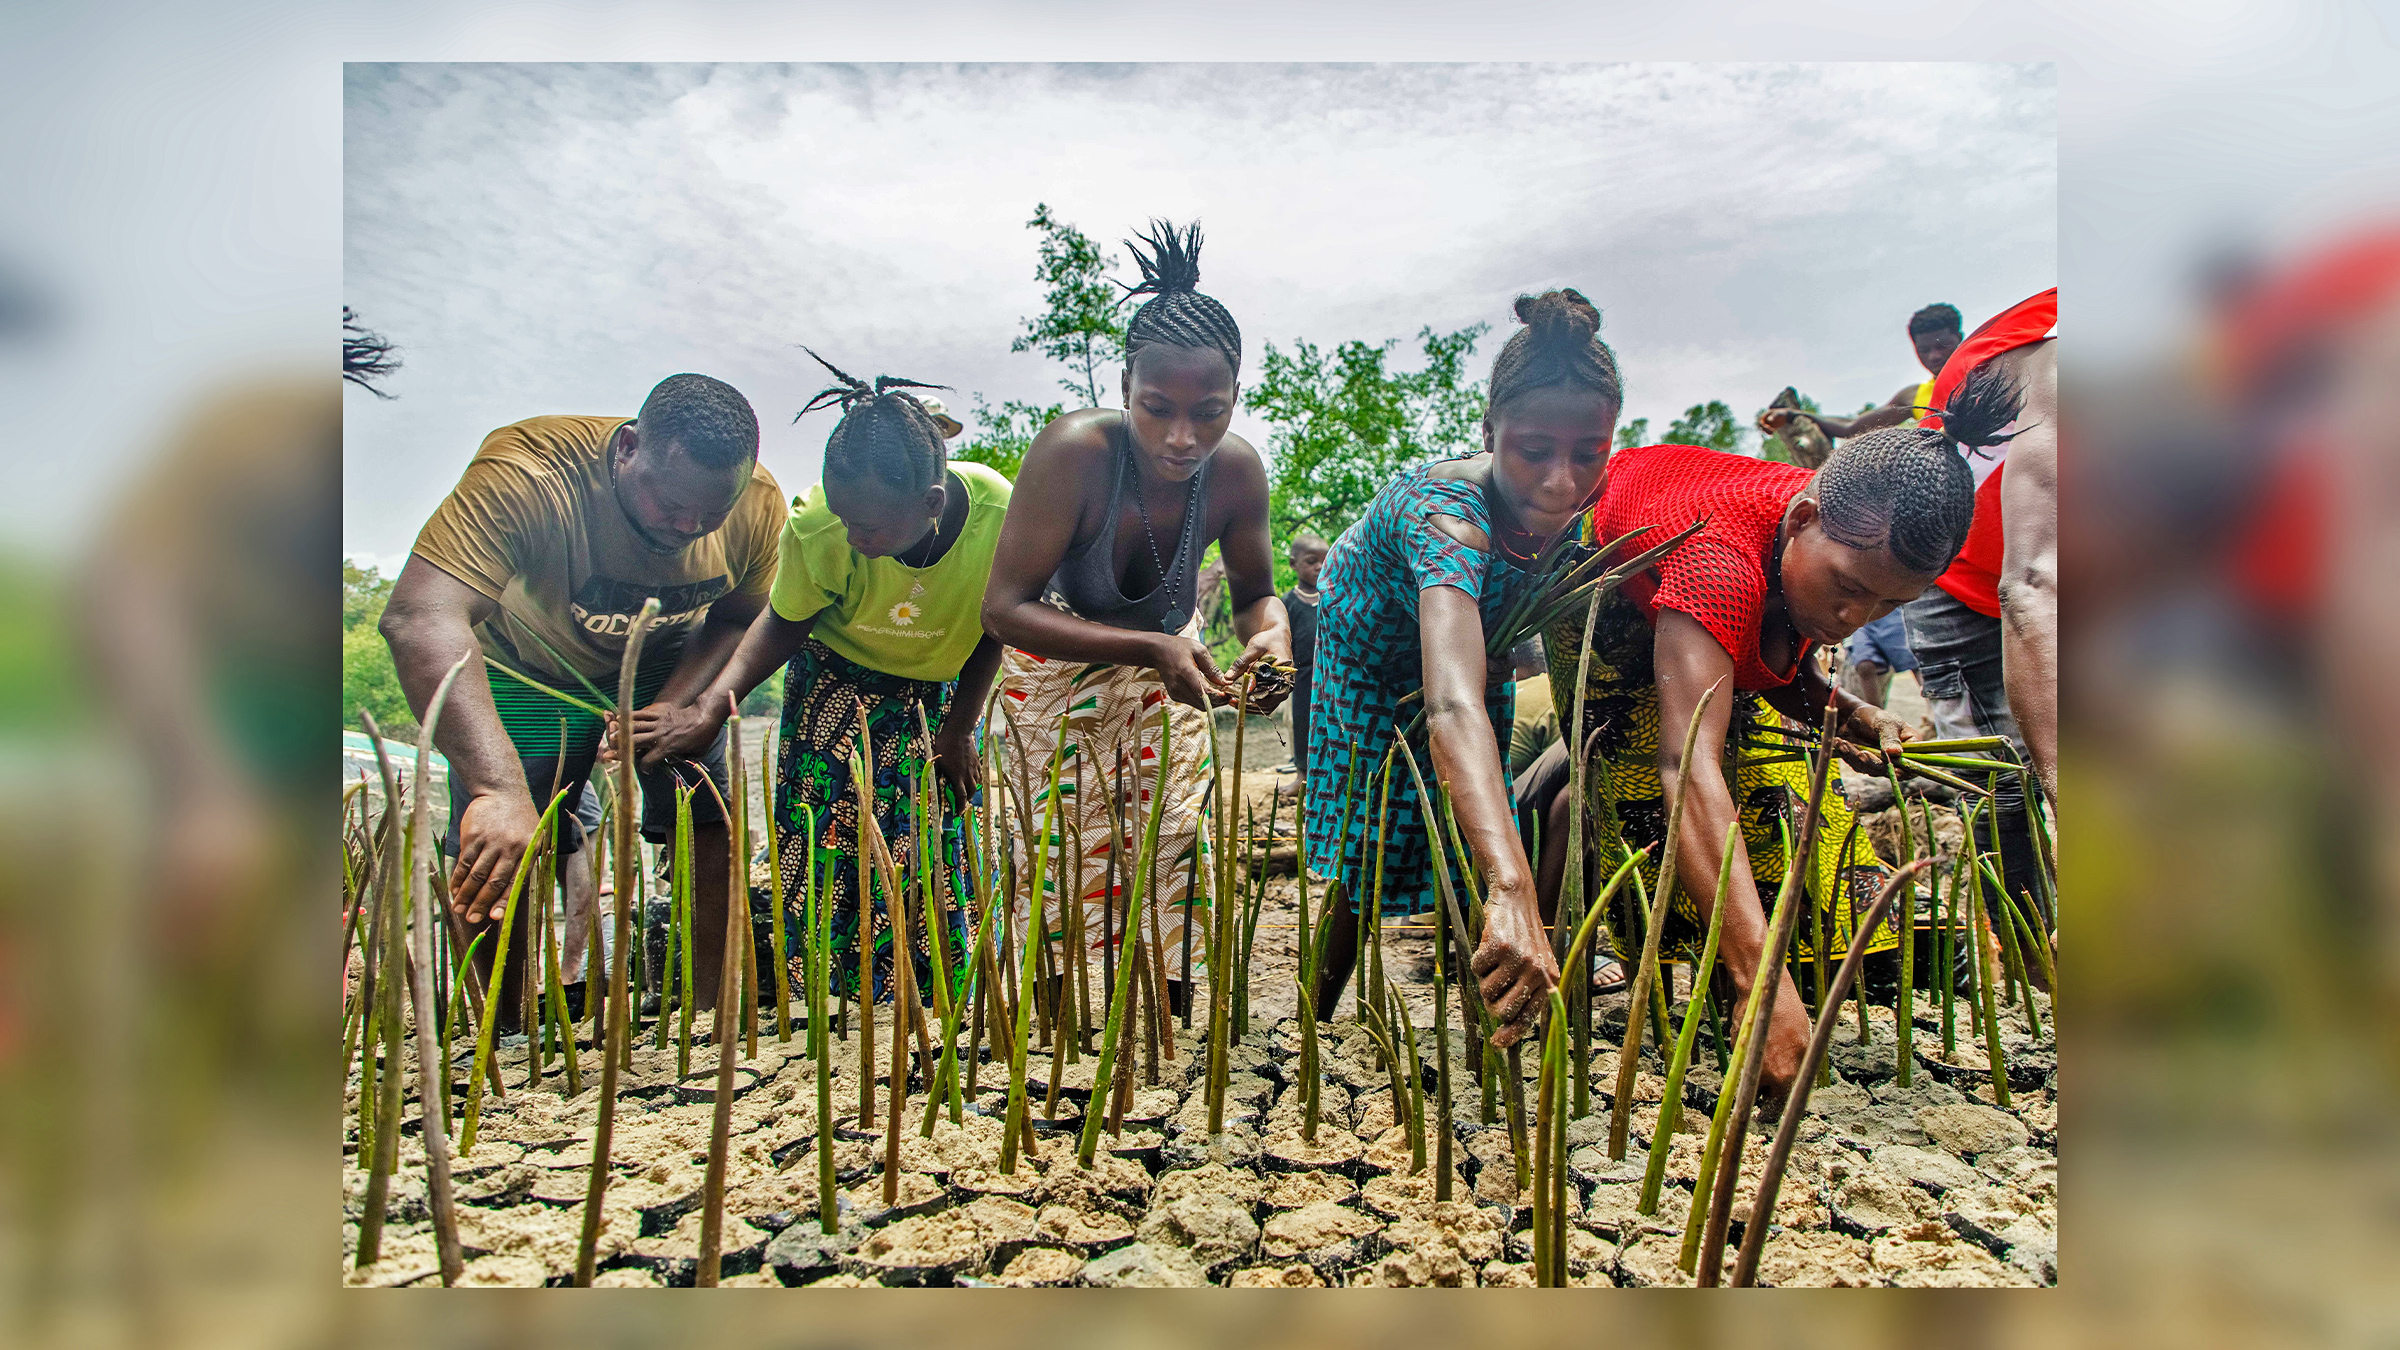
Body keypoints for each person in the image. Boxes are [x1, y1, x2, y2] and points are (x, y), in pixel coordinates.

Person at [1527, 368, 2024, 1103]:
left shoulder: (1823, 543)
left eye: (1889, 603)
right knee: (1638, 779)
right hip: (1601, 582)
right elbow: (1685, 766)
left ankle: (1779, 964)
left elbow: (1770, 647)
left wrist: (1852, 712)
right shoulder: (1718, 564)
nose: (1857, 617)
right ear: (1799, 520)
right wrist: (1758, 978)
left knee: (1778, 788)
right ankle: (1632, 960)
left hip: (1711, 571)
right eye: (1848, 588)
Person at [379, 374, 780, 1018]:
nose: (688, 525)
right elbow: (420, 617)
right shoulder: (529, 476)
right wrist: (497, 787)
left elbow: (737, 618)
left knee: (708, 810)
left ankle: (712, 1013)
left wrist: (675, 707)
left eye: (711, 513)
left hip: (662, 662)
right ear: (626, 449)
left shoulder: (759, 504)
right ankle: (499, 1029)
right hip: (530, 673)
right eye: (669, 502)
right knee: (501, 840)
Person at [629, 353, 1010, 1004]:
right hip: (833, 687)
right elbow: (780, 625)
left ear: (931, 504)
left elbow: (996, 625)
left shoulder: (999, 517)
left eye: (868, 525)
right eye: (842, 516)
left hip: (934, 700)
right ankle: (837, 1007)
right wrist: (714, 710)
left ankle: (934, 1005)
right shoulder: (820, 523)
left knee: (931, 849)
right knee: (827, 849)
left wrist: (960, 729)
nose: (852, 534)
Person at [981, 220, 1291, 1015]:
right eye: (1157, 408)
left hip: (1165, 672)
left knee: (1174, 844)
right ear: (1125, 389)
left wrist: (1272, 630)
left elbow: (1258, 588)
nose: (1182, 436)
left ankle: (1166, 1037)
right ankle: (1047, 1043)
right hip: (1049, 679)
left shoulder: (1237, 472)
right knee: (1049, 859)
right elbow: (1004, 612)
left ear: (1234, 399)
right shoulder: (1072, 454)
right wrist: (1151, 646)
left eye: (1209, 411)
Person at [1303, 289, 1622, 1046]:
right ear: (1489, 431)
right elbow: (1450, 705)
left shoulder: (1585, 497)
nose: (1561, 483)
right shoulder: (1447, 514)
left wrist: (1506, 876)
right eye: (1534, 451)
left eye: (1588, 454)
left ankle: (1493, 1036)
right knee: (1369, 849)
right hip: (1374, 658)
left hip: (1481, 647)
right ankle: (1310, 1030)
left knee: (1474, 835)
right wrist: (1516, 887)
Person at [1903, 288, 2057, 903]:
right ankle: (2041, 962)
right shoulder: (2053, 360)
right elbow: (2031, 590)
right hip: (1958, 579)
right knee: (2003, 781)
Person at [1758, 302, 1965, 448]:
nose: (1934, 356)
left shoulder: (1988, 377)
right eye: (1924, 350)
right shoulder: (1914, 397)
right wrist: (1793, 415)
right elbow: (1852, 427)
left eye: (1942, 346)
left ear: (1960, 338)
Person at [1278, 533, 1328, 774]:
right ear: (1293, 564)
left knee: (1331, 723)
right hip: (1303, 675)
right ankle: (1302, 773)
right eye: (1311, 561)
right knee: (1303, 723)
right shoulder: (1287, 602)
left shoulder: (1334, 597)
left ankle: (1330, 771)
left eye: (1325, 560)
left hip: (1332, 672)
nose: (1319, 566)